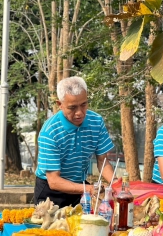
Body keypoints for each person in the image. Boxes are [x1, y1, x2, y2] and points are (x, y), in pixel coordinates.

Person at [34, 76, 115, 207]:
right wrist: (89, 188)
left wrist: (115, 184)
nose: (79, 113)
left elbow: (103, 161)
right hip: (51, 191)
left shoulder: (97, 122)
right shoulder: (50, 132)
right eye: (72, 108)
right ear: (59, 104)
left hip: (80, 187)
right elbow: (54, 181)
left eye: (84, 105)